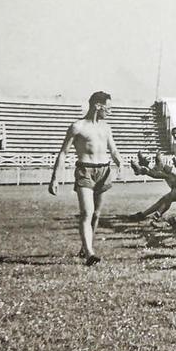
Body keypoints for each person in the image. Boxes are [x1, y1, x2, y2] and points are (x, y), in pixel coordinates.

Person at [48, 91, 122, 266]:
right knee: (87, 213)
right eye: (108, 108)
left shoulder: (106, 127)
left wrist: (120, 163)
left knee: (96, 214)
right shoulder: (77, 126)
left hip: (104, 171)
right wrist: (55, 178)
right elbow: (63, 153)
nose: (110, 111)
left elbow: (113, 149)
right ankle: (90, 253)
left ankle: (85, 247)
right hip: (85, 171)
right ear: (98, 106)